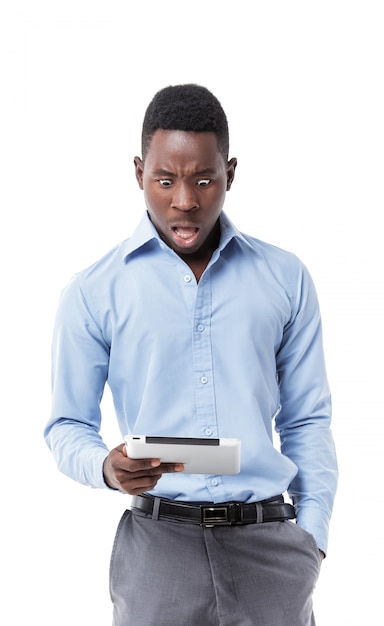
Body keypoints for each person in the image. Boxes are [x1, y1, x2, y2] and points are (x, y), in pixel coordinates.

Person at [45, 83, 338, 626]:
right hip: (158, 549)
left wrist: (311, 539)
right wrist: (106, 468)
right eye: (164, 180)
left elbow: (308, 418)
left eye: (204, 180)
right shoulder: (93, 291)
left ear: (230, 173)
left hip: (271, 551)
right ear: (139, 174)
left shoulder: (285, 278)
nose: (184, 200)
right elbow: (66, 424)